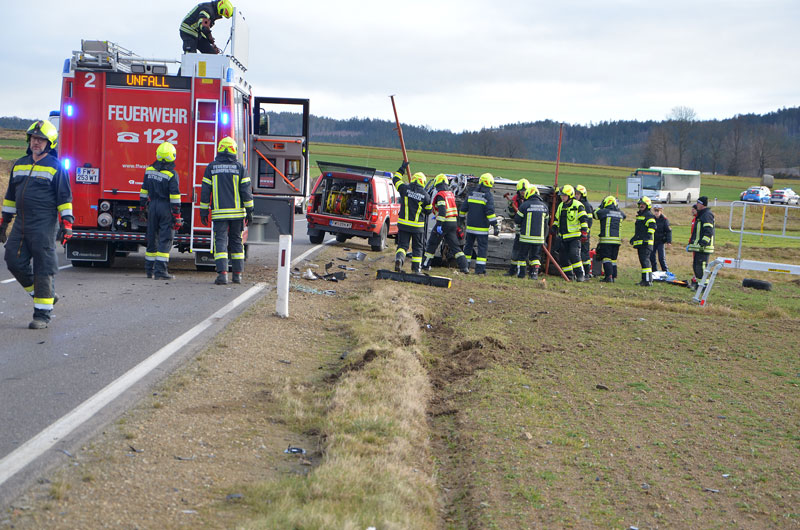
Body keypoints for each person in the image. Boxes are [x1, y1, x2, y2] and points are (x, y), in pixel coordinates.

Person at [1, 120, 73, 329]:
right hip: (22, 222)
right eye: (33, 138)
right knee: (12, 259)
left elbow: (64, 198)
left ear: (49, 143)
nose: (36, 142)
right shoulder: (20, 163)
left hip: (44, 223)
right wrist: (4, 222)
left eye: (41, 139)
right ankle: (45, 294)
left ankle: (42, 315)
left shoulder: (56, 166)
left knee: (43, 267)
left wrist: (67, 224)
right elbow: (10, 197)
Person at [200, 137, 253, 285]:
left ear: (220, 149)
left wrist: (203, 211)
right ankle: (237, 276)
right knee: (237, 242)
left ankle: (222, 275)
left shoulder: (211, 167)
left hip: (219, 213)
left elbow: (205, 192)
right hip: (237, 214)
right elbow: (246, 192)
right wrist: (250, 211)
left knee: (221, 243)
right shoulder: (240, 168)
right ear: (234, 150)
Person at [140, 142, 182, 280]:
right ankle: (161, 272)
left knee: (152, 237)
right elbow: (175, 197)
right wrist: (176, 215)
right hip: (165, 207)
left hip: (152, 206)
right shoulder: (171, 174)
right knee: (165, 238)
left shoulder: (149, 170)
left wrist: (142, 208)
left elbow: (144, 190)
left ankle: (149, 270)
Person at [422, 174, 468, 273]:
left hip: (444, 223)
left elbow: (443, 211)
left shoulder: (441, 195)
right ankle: (464, 267)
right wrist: (437, 215)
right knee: (455, 246)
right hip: (453, 223)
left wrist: (439, 224)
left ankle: (425, 264)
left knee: (432, 244)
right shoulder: (450, 194)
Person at [392, 162, 430, 273]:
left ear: (413, 179)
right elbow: (428, 211)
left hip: (403, 225)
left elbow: (395, 179)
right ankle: (416, 269)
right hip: (417, 227)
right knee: (417, 248)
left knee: (402, 246)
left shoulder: (404, 189)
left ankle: (399, 259)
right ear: (423, 182)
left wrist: (402, 168)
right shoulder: (425, 196)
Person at [459, 173, 498, 275]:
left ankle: (465, 267)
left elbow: (463, 208)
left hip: (470, 227)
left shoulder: (471, 193)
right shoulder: (488, 196)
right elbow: (490, 212)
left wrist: (461, 220)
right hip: (481, 229)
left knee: (468, 247)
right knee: (482, 249)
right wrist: (495, 225)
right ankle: (479, 270)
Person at [550, 184, 589, 281]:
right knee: (563, 258)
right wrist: (554, 227)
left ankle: (580, 276)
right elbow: (557, 219)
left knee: (574, 255)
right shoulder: (561, 206)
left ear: (570, 195)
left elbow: (584, 220)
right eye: (561, 195)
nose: (562, 197)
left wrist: (584, 232)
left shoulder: (578, 206)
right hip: (563, 237)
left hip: (575, 237)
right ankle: (569, 276)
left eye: (564, 195)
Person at [514, 185, 549, 279]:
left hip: (526, 237)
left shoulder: (524, 205)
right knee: (535, 257)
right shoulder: (544, 207)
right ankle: (534, 274)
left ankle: (521, 274)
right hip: (539, 239)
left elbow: (517, 220)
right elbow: (546, 223)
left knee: (522, 256)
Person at [593, 195, 626, 282]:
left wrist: (600, 206)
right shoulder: (620, 213)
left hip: (606, 240)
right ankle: (613, 277)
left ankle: (608, 277)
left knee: (606, 258)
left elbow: (595, 214)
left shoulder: (604, 212)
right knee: (613, 260)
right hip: (617, 241)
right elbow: (624, 216)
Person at [688, 196, 715, 290]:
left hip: (704, 247)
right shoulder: (701, 215)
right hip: (698, 247)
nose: (697, 205)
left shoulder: (706, 215)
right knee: (697, 268)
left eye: (698, 203)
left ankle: (704, 287)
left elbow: (709, 230)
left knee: (702, 268)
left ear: (702, 204)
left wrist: (703, 242)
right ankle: (699, 286)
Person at [504, 178, 530, 276]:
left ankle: (527, 271)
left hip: (529, 229)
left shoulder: (530, 200)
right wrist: (511, 207)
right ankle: (512, 270)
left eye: (524, 191)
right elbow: (511, 215)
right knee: (516, 250)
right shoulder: (515, 199)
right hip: (519, 228)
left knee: (526, 252)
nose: (523, 192)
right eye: (521, 191)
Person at [630, 196, 656, 286]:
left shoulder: (648, 215)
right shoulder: (641, 215)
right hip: (641, 242)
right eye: (640, 204)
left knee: (645, 261)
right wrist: (634, 238)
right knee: (643, 262)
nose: (641, 205)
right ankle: (645, 280)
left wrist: (647, 237)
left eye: (643, 204)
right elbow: (640, 230)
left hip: (646, 243)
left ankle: (648, 281)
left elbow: (652, 227)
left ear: (647, 205)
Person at [575, 185, 594, 278]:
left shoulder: (586, 206)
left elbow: (589, 222)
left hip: (584, 234)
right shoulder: (576, 204)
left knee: (584, 253)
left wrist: (585, 233)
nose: (576, 196)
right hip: (577, 233)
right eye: (575, 193)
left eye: (578, 194)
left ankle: (586, 272)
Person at [649, 204, 672, 273]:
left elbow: (668, 231)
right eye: (655, 211)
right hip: (653, 241)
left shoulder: (665, 220)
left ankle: (665, 271)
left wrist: (669, 242)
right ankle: (654, 271)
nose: (656, 212)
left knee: (661, 258)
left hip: (661, 241)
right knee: (652, 257)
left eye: (658, 211)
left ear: (661, 211)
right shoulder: (652, 219)